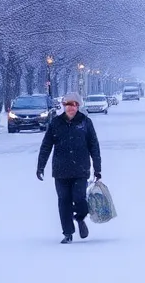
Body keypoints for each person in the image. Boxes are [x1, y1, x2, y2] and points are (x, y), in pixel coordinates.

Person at [36, 91, 102, 243]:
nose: (71, 108)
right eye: (67, 104)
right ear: (64, 106)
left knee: (80, 199)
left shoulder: (85, 122)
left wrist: (97, 169)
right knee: (63, 201)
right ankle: (67, 232)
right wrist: (41, 166)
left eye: (74, 104)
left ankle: (79, 218)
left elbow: (94, 146)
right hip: (61, 170)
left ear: (78, 106)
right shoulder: (56, 123)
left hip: (81, 169)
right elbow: (46, 146)